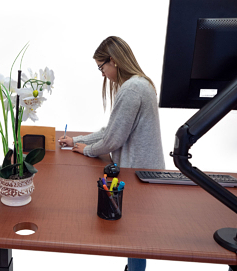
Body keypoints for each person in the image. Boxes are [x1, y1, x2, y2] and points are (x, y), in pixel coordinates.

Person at [58, 36, 165, 271]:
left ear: (113, 61)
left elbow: (114, 139)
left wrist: (87, 151)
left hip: (139, 171)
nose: (103, 74)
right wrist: (76, 140)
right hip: (143, 168)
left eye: (101, 67)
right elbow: (112, 129)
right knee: (135, 232)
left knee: (134, 232)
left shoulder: (132, 89)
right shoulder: (138, 84)